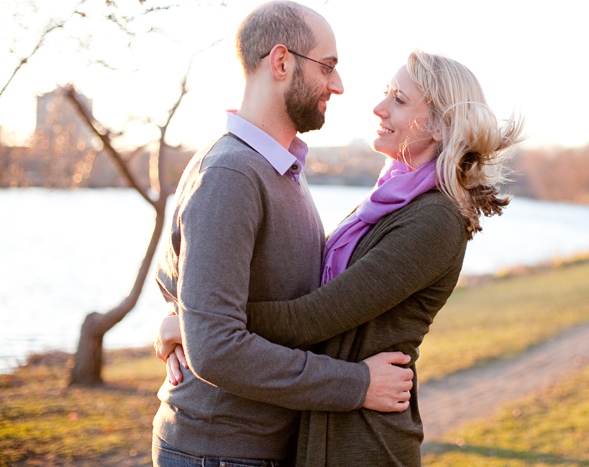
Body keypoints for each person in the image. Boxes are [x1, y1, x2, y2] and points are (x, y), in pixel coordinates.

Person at [158, 49, 523, 466]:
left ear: (440, 126)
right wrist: (197, 319)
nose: (378, 107)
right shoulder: (391, 200)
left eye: (399, 100)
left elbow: (310, 320)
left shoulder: (434, 219)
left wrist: (197, 326)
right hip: (331, 427)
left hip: (365, 441)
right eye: (387, 93)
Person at [150, 0, 415, 467]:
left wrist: (181, 322)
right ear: (281, 61)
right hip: (219, 452)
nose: (338, 84)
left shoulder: (279, 166)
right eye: (328, 66)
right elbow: (215, 348)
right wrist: (356, 384)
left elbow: (185, 283)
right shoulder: (230, 173)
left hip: (256, 448)